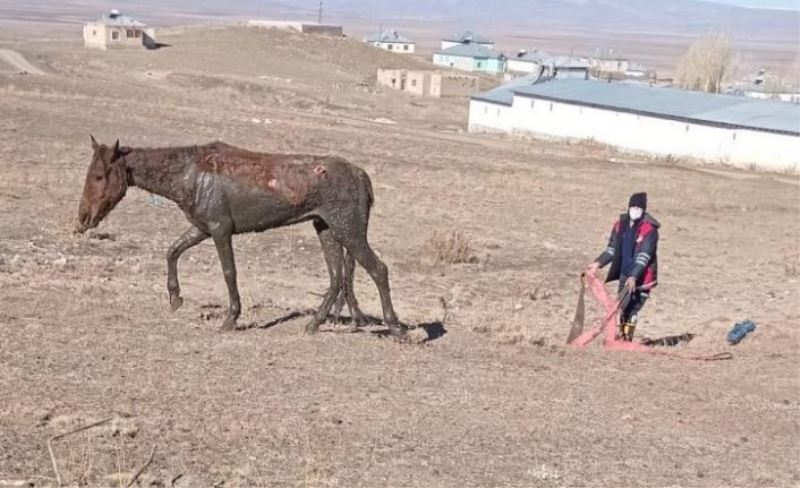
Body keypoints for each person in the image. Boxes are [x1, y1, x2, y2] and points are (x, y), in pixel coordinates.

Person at [587, 192, 660, 341]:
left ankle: (627, 338)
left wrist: (634, 275)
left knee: (632, 308)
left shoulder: (649, 230)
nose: (635, 210)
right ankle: (619, 337)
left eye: (639, 207)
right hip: (625, 274)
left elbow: (644, 256)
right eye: (633, 206)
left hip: (642, 277)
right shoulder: (620, 226)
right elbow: (612, 249)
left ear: (644, 210)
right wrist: (597, 263)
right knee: (620, 307)